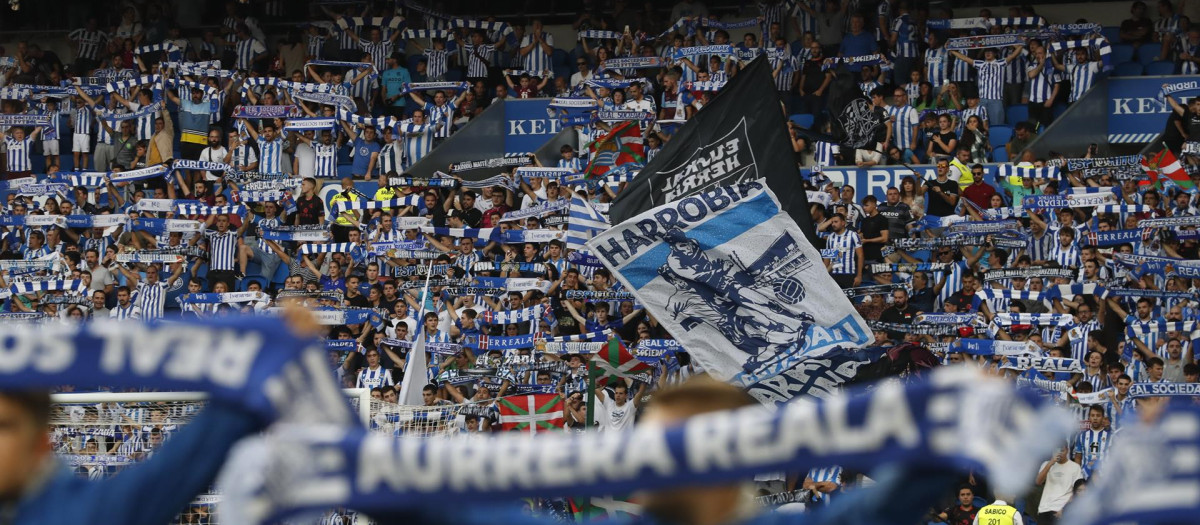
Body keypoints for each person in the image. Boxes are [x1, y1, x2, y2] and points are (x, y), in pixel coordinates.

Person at [1035, 444, 1084, 525]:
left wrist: (1065, 509)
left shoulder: (1075, 467)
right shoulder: (1046, 464)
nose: (1059, 453)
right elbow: (1038, 482)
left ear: (1067, 450)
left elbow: (1077, 491)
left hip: (1061, 510)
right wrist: (1051, 463)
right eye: (1056, 450)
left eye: (1062, 450)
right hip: (1044, 509)